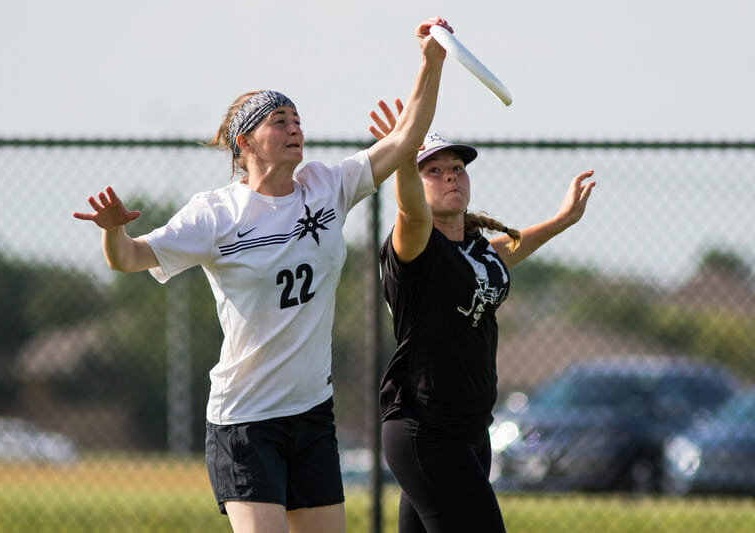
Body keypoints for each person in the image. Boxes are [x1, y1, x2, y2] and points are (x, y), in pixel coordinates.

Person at [72, 17, 453, 533]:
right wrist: (113, 231)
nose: (295, 127)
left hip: (312, 414)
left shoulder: (325, 186)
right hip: (244, 420)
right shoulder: (215, 214)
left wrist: (431, 61)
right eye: (279, 120)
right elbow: (130, 258)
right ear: (244, 142)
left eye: (297, 118)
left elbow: (406, 137)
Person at [369, 100, 596, 532]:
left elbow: (506, 252)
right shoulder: (416, 246)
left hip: (471, 432)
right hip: (425, 431)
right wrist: (401, 156)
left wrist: (563, 219)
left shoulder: (474, 248)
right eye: (432, 170)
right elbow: (409, 210)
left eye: (456, 166)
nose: (450, 174)